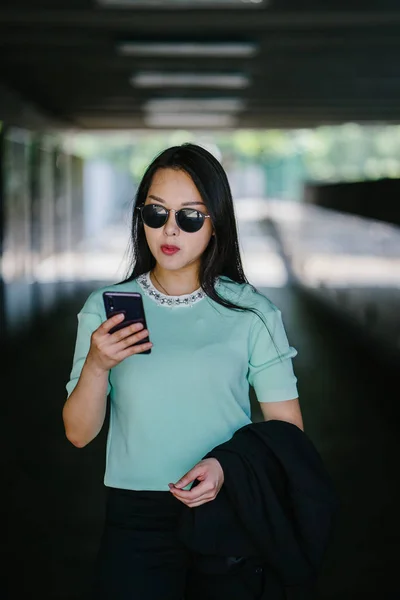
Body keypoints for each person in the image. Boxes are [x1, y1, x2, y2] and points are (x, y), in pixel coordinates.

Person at [62, 142, 304, 600]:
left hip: (227, 509)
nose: (169, 229)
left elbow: (288, 432)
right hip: (135, 521)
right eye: (156, 213)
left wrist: (226, 468)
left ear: (216, 223)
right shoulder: (105, 311)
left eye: (190, 216)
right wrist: (97, 365)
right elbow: (78, 434)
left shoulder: (253, 313)